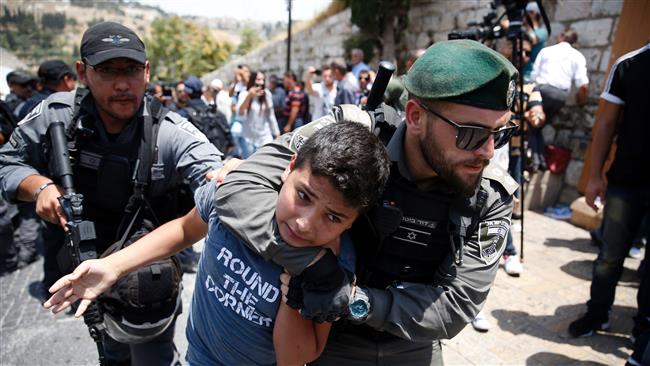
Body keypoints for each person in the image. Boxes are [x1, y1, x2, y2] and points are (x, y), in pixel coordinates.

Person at [213, 39, 519, 364]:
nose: (487, 151)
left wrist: (354, 300)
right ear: (415, 117)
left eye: (500, 134)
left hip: (410, 343)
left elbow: (456, 307)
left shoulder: (490, 194)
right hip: (331, 340)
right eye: (471, 134)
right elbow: (240, 188)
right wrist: (315, 265)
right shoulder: (355, 135)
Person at [44, 122, 391, 365]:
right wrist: (112, 265)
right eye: (303, 195)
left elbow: (296, 358)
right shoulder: (237, 201)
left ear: (354, 221)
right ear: (289, 168)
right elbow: (185, 229)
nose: (305, 223)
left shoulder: (334, 263)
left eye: (333, 218)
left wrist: (297, 284)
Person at [0, 21, 223, 365]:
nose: (122, 84)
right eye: (106, 70)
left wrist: (230, 175)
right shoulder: (57, 114)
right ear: (82, 73)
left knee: (154, 357)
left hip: (148, 274)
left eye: (131, 70)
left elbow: (214, 177)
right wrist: (39, 187)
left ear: (147, 72)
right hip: (84, 264)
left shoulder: (169, 131)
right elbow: (8, 163)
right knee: (112, 353)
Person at [568, 42, 649, 366]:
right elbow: (605, 124)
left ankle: (642, 334)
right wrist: (594, 176)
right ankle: (597, 313)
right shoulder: (630, 65)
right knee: (609, 256)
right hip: (625, 183)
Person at [530, 28, 589, 124]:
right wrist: (581, 102)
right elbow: (583, 85)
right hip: (561, 96)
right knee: (540, 125)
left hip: (541, 92)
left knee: (532, 123)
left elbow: (533, 76)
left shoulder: (546, 51)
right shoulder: (578, 56)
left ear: (562, 36)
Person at [237, 71, 280, 153]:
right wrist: (249, 96)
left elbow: (271, 116)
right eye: (258, 79)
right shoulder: (244, 94)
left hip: (265, 136)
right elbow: (240, 113)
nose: (261, 82)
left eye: (263, 80)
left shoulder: (267, 94)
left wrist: (277, 133)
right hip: (249, 138)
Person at [522, 1, 548, 81]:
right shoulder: (522, 31)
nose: (522, 16)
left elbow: (532, 39)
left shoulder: (542, 32)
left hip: (529, 75)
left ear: (533, 14)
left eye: (524, 13)